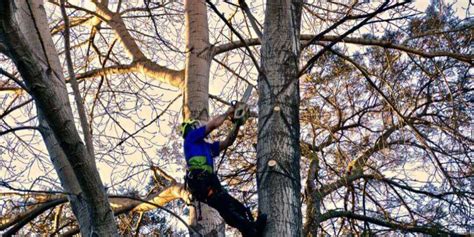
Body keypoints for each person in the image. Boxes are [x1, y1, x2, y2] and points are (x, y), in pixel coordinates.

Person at [180, 103, 265, 237]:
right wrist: (228, 113)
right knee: (226, 206)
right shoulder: (190, 138)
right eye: (197, 127)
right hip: (201, 181)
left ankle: (251, 229)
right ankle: (250, 230)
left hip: (208, 181)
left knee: (235, 207)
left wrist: (237, 124)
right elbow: (212, 125)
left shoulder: (206, 147)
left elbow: (227, 143)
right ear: (191, 128)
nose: (200, 128)